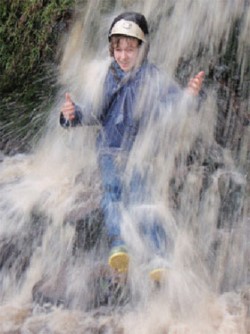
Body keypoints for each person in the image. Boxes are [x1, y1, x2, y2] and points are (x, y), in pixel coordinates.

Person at [60, 12, 204, 281]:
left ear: (142, 48)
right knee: (112, 196)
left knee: (142, 199)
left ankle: (157, 256)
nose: (123, 56)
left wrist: (190, 95)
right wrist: (72, 115)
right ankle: (119, 246)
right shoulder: (106, 77)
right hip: (109, 152)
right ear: (111, 49)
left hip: (140, 153)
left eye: (130, 49)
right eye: (118, 49)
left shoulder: (154, 77)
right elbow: (92, 111)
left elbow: (175, 108)